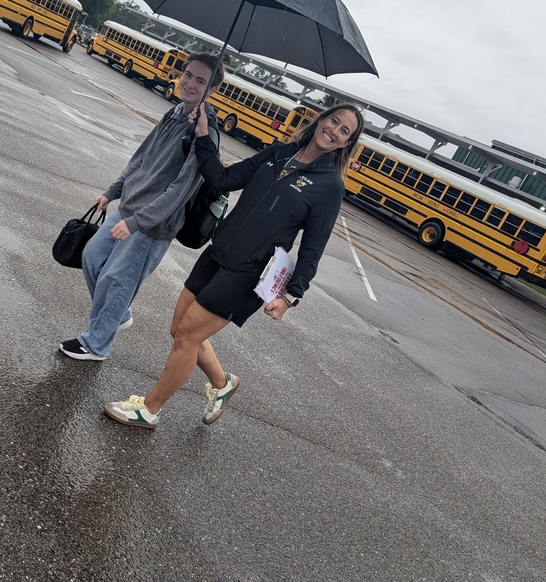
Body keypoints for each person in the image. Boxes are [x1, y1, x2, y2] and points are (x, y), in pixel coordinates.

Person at [102, 103, 365, 427]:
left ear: (345, 144)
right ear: (321, 120)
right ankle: (222, 382)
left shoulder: (329, 187)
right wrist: (202, 137)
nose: (334, 130)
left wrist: (290, 295)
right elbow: (223, 178)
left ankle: (149, 410)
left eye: (344, 132)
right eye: (334, 120)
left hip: (249, 273)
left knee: (186, 335)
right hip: (217, 253)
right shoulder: (278, 153)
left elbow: (314, 247)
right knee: (179, 330)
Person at [59, 53, 225, 361]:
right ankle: (117, 316)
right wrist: (113, 191)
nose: (189, 83)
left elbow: (181, 189)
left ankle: (96, 344)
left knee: (119, 280)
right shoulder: (175, 113)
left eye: (200, 80)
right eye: (187, 74)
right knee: (92, 258)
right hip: (130, 206)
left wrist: (138, 222)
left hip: (153, 224)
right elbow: (142, 157)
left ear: (212, 90)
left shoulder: (206, 134)